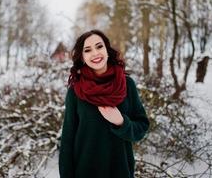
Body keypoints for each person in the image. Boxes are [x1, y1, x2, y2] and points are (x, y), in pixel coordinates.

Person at [59, 29, 150, 178]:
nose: (95, 53)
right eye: (87, 50)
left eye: (99, 46)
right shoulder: (76, 91)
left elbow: (141, 128)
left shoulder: (127, 84)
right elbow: (68, 139)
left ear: (107, 49)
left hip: (120, 171)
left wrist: (121, 122)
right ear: (82, 57)